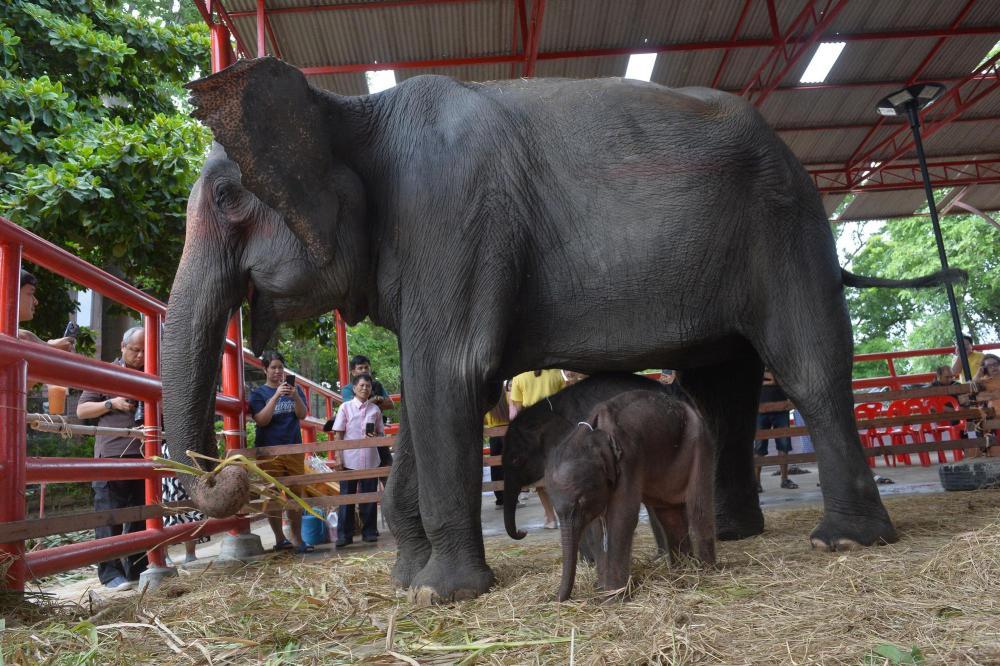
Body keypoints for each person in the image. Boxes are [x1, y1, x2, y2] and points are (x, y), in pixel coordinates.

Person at [76, 326, 147, 590]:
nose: (139, 356)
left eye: (144, 351)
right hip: (111, 455)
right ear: (122, 347)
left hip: (142, 455)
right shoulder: (105, 373)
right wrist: (111, 403)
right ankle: (109, 573)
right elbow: (82, 410)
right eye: (135, 350)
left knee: (141, 515)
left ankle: (137, 570)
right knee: (109, 517)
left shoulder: (151, 375)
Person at [248, 350, 312, 554]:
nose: (277, 371)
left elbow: (302, 415)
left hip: (293, 447)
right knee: (273, 496)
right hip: (268, 450)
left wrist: (295, 397)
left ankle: (297, 539)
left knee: (295, 494)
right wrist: (276, 395)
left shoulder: (295, 389)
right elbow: (261, 420)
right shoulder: (258, 394)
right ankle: (280, 539)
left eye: (280, 368)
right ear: (265, 369)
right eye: (273, 367)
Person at [330, 373, 385, 547]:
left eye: (368, 386)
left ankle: (369, 532)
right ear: (354, 388)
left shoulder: (375, 410)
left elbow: (381, 433)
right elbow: (338, 433)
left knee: (369, 497)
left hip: (370, 458)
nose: (365, 388)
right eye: (361, 385)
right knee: (346, 498)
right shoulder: (345, 407)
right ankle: (344, 535)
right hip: (349, 460)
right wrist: (338, 455)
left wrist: (375, 435)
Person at [509, 369, 565, 528]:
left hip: (531, 433)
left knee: (539, 477)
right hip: (556, 430)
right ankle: (564, 513)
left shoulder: (518, 378)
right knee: (558, 472)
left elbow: (517, 412)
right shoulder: (555, 374)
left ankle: (551, 518)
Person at [754, 370, 797, 491]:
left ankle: (784, 479)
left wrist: (771, 379)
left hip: (781, 407)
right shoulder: (757, 361)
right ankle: (756, 482)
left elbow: (787, 377)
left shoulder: (779, 363)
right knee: (759, 446)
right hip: (760, 409)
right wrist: (773, 380)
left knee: (784, 445)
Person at [18, 269, 75, 351]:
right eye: (30, 293)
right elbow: (24, 337)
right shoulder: (26, 337)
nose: (36, 302)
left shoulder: (25, 337)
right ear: (10, 291)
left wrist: (50, 346)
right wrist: (53, 347)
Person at [484, 384, 511, 509]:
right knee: (509, 465)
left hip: (493, 436)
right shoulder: (508, 396)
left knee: (495, 467)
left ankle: (500, 499)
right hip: (507, 434)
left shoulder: (489, 401)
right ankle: (512, 497)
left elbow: (484, 420)